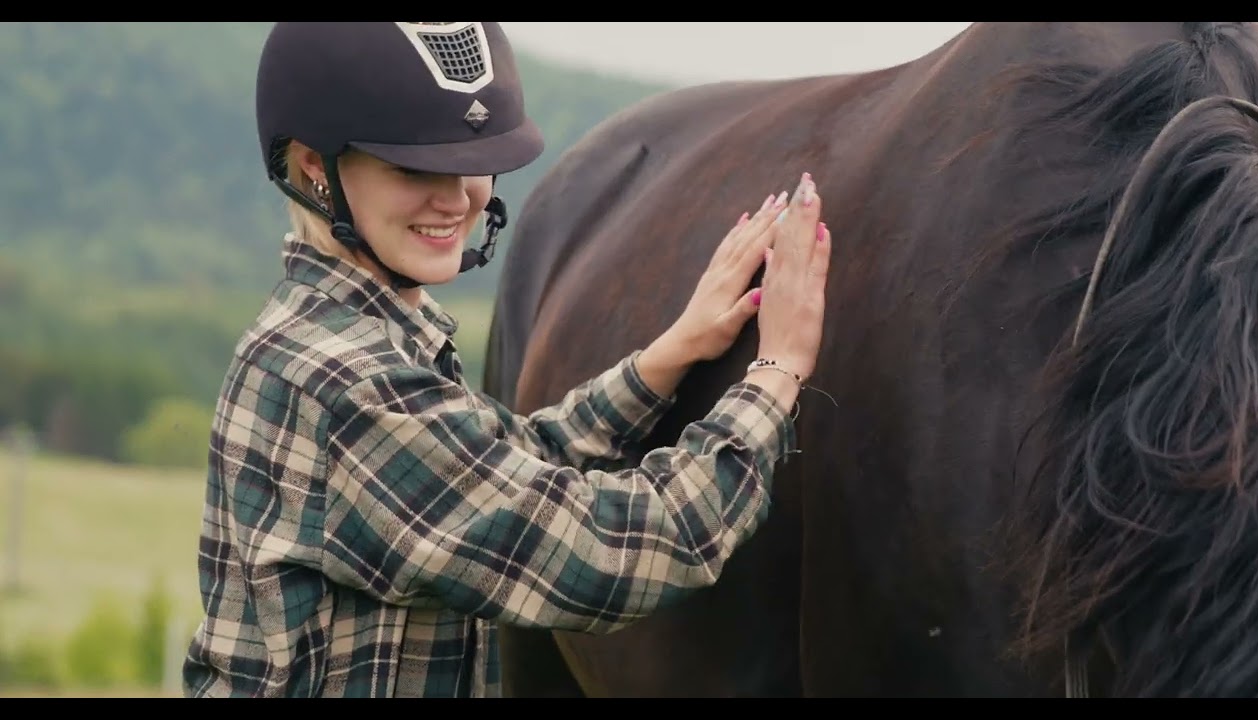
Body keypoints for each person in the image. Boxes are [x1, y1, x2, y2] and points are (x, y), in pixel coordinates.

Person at [182, 21, 832, 698]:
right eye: (413, 166)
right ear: (315, 168)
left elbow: (507, 458)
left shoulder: (332, 334)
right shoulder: (352, 384)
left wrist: (670, 355)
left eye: (472, 162)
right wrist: (775, 373)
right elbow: (608, 554)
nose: (457, 198)